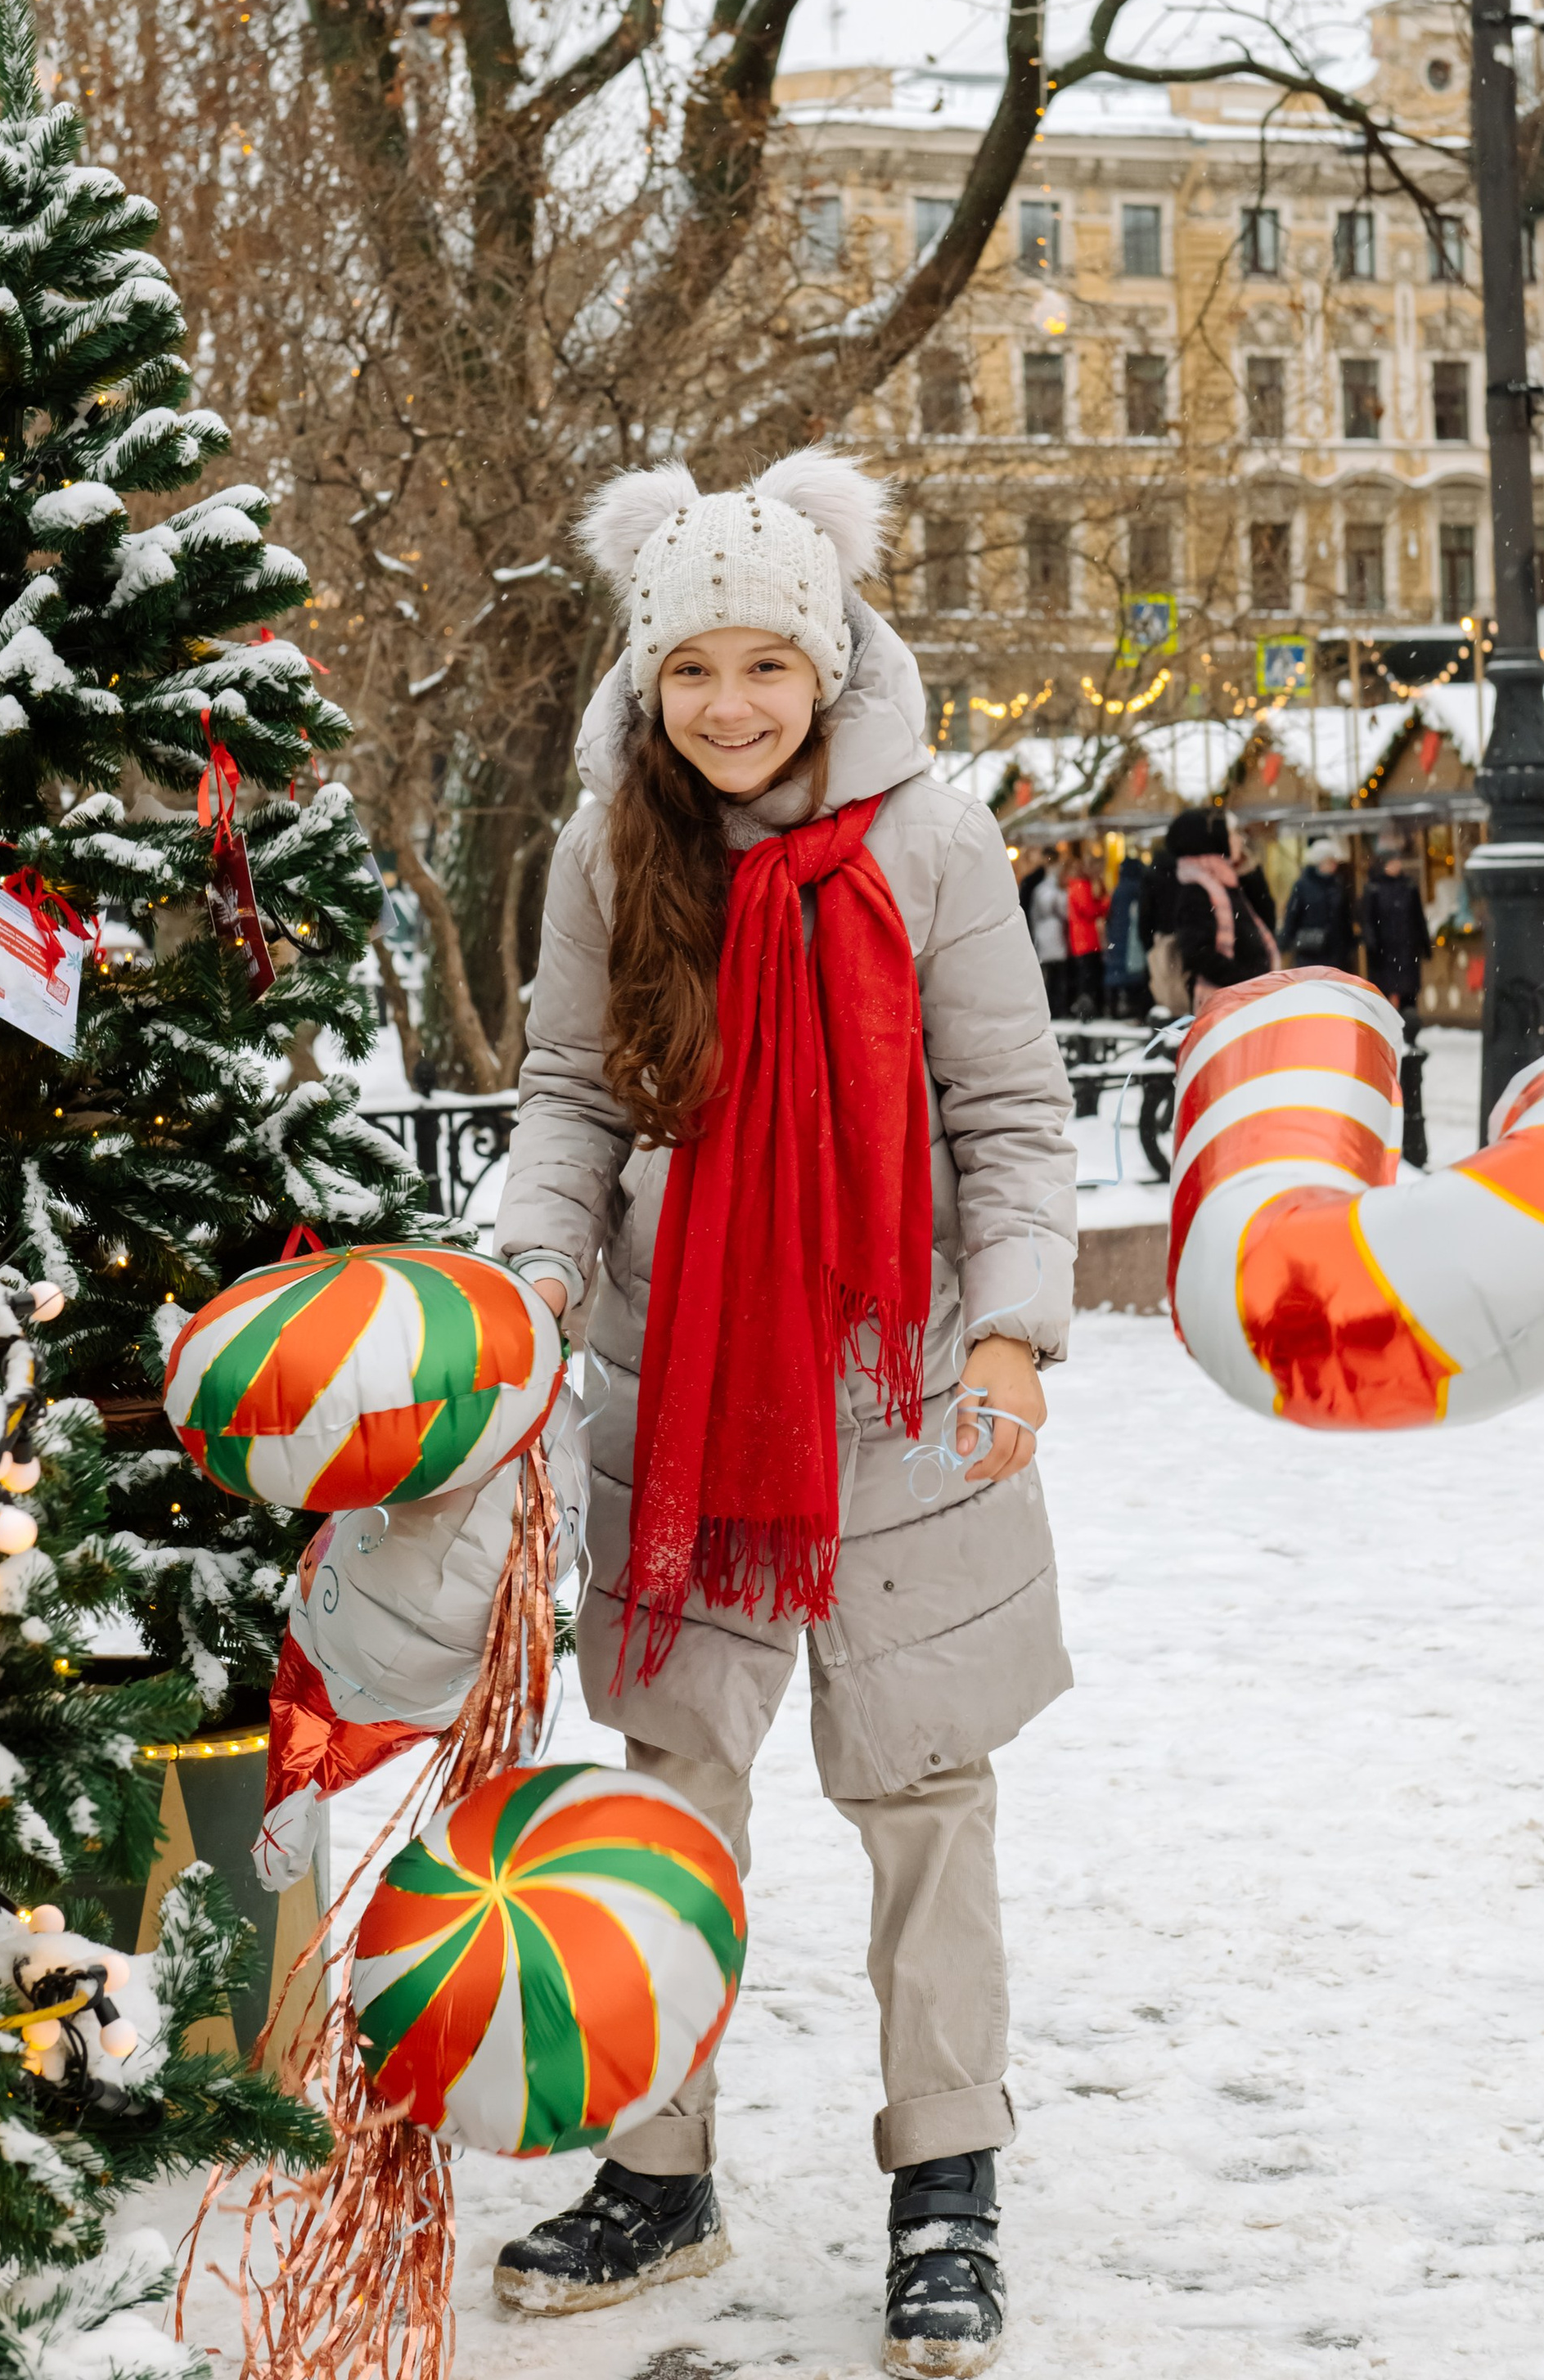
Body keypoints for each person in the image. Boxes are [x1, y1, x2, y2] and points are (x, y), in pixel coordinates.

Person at [492, 451, 1078, 2378]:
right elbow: (570, 1097)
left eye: (765, 662)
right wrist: (538, 1283)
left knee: (920, 1796)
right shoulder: (604, 850)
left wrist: (1006, 1332)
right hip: (680, 1402)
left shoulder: (929, 840)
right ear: (646, 680)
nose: (730, 703)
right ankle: (655, 2170)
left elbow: (1001, 1114)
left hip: (894, 1386)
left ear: (825, 658)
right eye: (691, 671)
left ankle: (944, 2181)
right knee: (671, 1787)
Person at [1164, 803, 1281, 1010]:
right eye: (1232, 833)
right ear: (1215, 840)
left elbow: (1267, 920)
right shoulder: (1197, 889)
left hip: (1247, 999)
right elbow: (1198, 953)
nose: (1239, 840)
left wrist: (1250, 872)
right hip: (1228, 1004)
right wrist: (1246, 981)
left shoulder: (1226, 881)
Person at [1359, 835, 1430, 1015]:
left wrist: (1424, 944)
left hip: (1407, 947)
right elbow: (1367, 919)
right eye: (1393, 862)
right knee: (1385, 993)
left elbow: (1418, 916)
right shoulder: (1374, 889)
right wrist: (1372, 943)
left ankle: (1410, 1030)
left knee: (1409, 992)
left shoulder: (1408, 886)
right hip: (1385, 950)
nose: (1397, 865)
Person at [1280, 836, 1357, 970]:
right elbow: (1292, 914)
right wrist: (1286, 939)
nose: (1334, 865)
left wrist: (1349, 943)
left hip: (1335, 951)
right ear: (1319, 862)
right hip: (1310, 950)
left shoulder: (1338, 885)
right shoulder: (1303, 885)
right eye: (1329, 861)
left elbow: (1345, 916)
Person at [1104, 847, 1151, 1017]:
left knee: (1118, 973)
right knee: (1134, 975)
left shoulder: (1119, 889)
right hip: (1131, 939)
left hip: (1119, 938)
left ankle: (1114, 1009)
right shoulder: (1137, 889)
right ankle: (1135, 1010)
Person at [1029, 850, 1071, 1018]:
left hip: (1047, 939)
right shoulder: (1048, 890)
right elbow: (1059, 908)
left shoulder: (1040, 888)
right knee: (1056, 977)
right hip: (1051, 939)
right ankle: (1057, 1008)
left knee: (1053, 977)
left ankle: (1055, 1008)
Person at [1064, 855, 1106, 1018]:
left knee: (1088, 977)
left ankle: (1088, 1009)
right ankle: (1089, 1011)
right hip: (1086, 939)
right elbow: (1089, 911)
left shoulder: (1076, 886)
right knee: (1090, 978)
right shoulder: (1081, 886)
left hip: (1082, 940)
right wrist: (1106, 904)